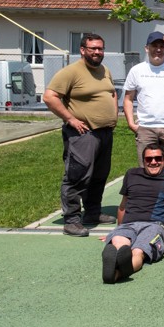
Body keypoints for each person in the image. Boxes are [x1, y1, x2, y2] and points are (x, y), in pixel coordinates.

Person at [44, 33, 118, 237]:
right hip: (83, 134)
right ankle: (72, 220)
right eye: (93, 48)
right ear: (83, 50)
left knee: (99, 176)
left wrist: (114, 114)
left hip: (104, 133)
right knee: (77, 176)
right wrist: (71, 119)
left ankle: (93, 213)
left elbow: (111, 92)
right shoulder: (71, 72)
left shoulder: (104, 70)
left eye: (100, 48)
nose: (97, 52)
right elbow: (49, 97)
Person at [101, 145, 164, 283]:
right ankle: (118, 262)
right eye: (149, 159)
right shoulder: (132, 174)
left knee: (139, 251)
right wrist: (117, 230)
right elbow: (123, 205)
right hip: (129, 223)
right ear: (143, 161)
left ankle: (116, 273)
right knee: (119, 243)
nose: (153, 162)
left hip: (155, 225)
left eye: (157, 158)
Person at [122, 31, 164, 170]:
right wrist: (131, 123)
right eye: (154, 46)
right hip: (145, 128)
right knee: (147, 169)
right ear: (146, 48)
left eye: (162, 46)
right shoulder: (136, 70)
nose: (158, 50)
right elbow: (128, 99)